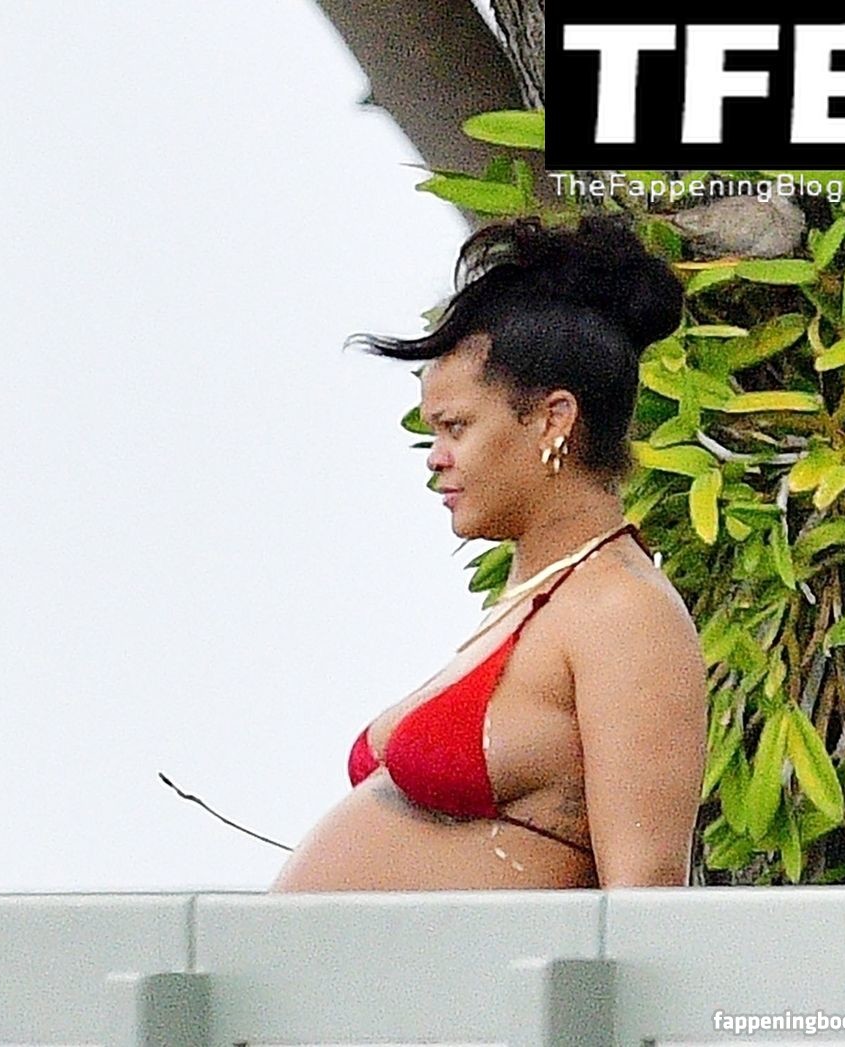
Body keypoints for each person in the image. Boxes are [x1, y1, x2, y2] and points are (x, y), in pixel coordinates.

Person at [271, 216, 706, 891]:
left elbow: (643, 892)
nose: (436, 458)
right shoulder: (537, 600)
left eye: (456, 427)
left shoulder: (621, 609)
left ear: (554, 420)